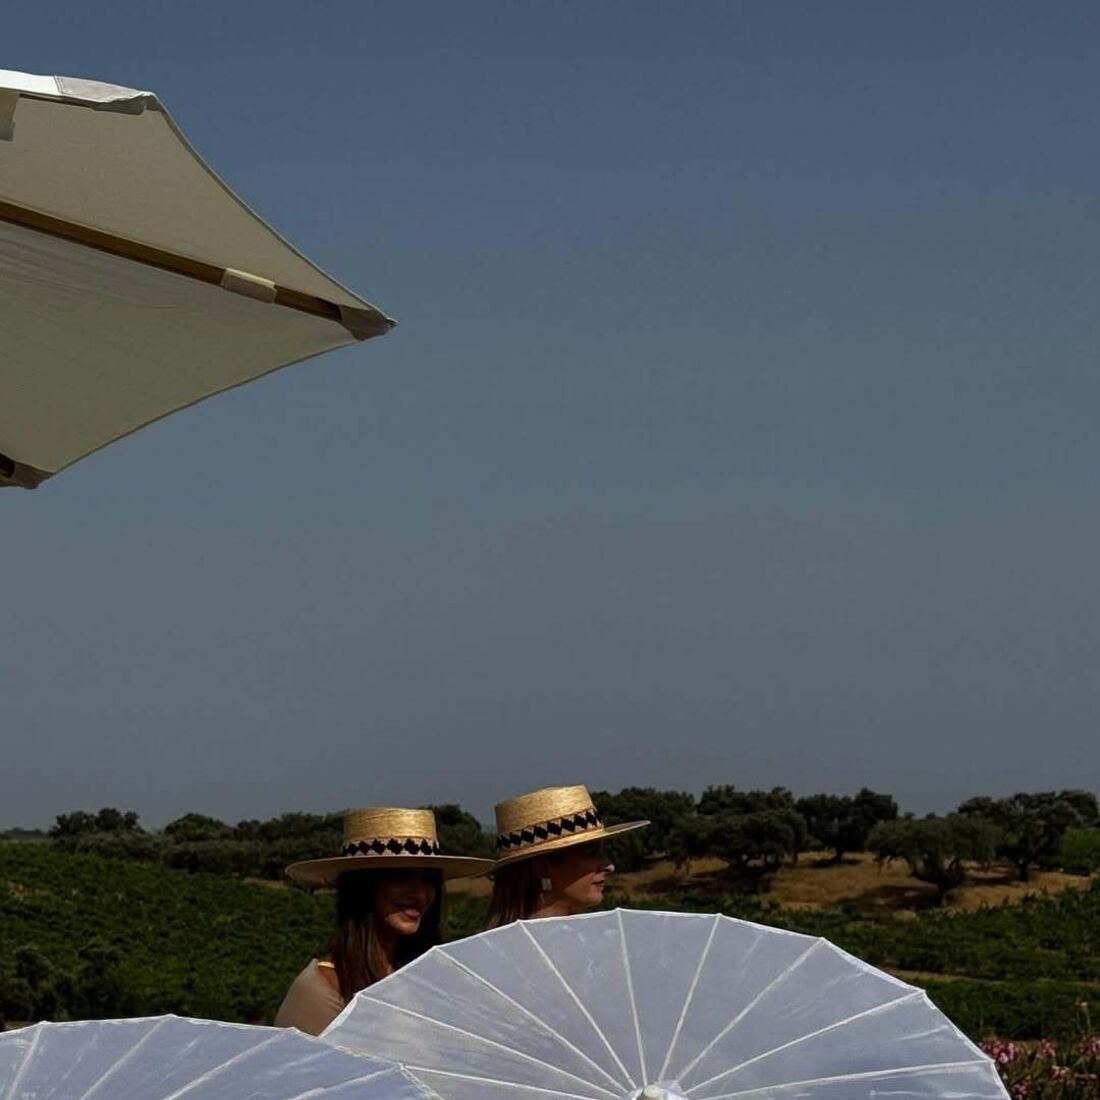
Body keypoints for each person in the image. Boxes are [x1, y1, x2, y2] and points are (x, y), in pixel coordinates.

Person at [276, 806, 493, 1035]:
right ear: (363, 886)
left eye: (429, 879)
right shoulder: (319, 991)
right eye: (402, 876)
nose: (421, 895)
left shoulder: (427, 975)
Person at [485, 784, 648, 927]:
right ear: (543, 869)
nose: (609, 865)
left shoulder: (585, 941)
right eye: (591, 853)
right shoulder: (520, 949)